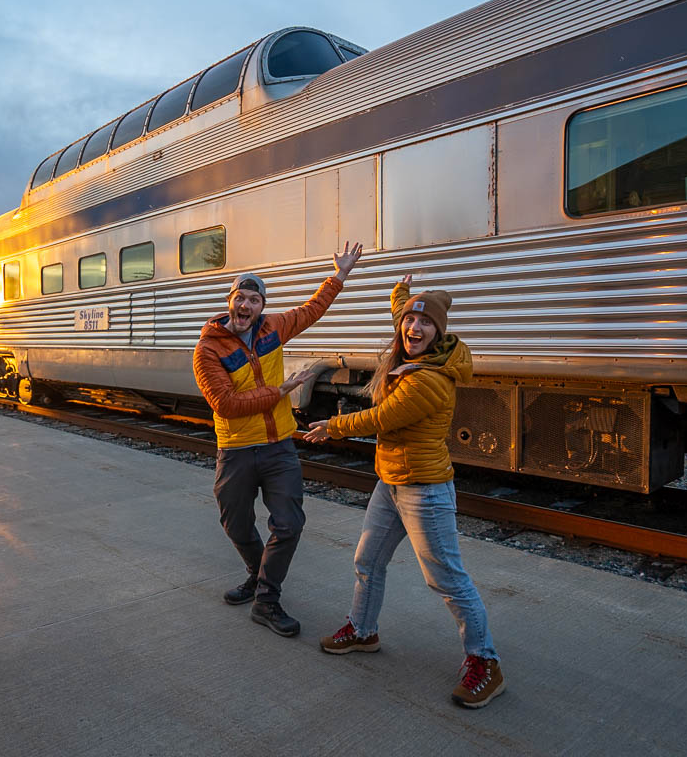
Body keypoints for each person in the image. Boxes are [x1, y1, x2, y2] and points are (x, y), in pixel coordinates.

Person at [305, 275, 504, 708]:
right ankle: (363, 630)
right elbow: (403, 313)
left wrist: (332, 426)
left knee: (445, 578)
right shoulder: (413, 344)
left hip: (424, 490)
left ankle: (485, 662)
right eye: (409, 320)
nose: (413, 327)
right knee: (367, 560)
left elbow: (381, 417)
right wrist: (400, 291)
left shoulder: (428, 381)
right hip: (391, 483)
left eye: (424, 323)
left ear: (440, 332)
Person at [193, 242, 362, 637]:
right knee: (235, 524)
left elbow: (311, 310)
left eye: (254, 299)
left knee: (288, 524)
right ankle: (257, 574)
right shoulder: (208, 349)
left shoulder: (273, 328)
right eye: (241, 298)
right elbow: (226, 403)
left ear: (261, 306)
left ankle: (266, 599)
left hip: (279, 447)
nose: (247, 305)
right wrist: (281, 391)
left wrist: (339, 275)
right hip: (235, 449)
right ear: (230, 302)